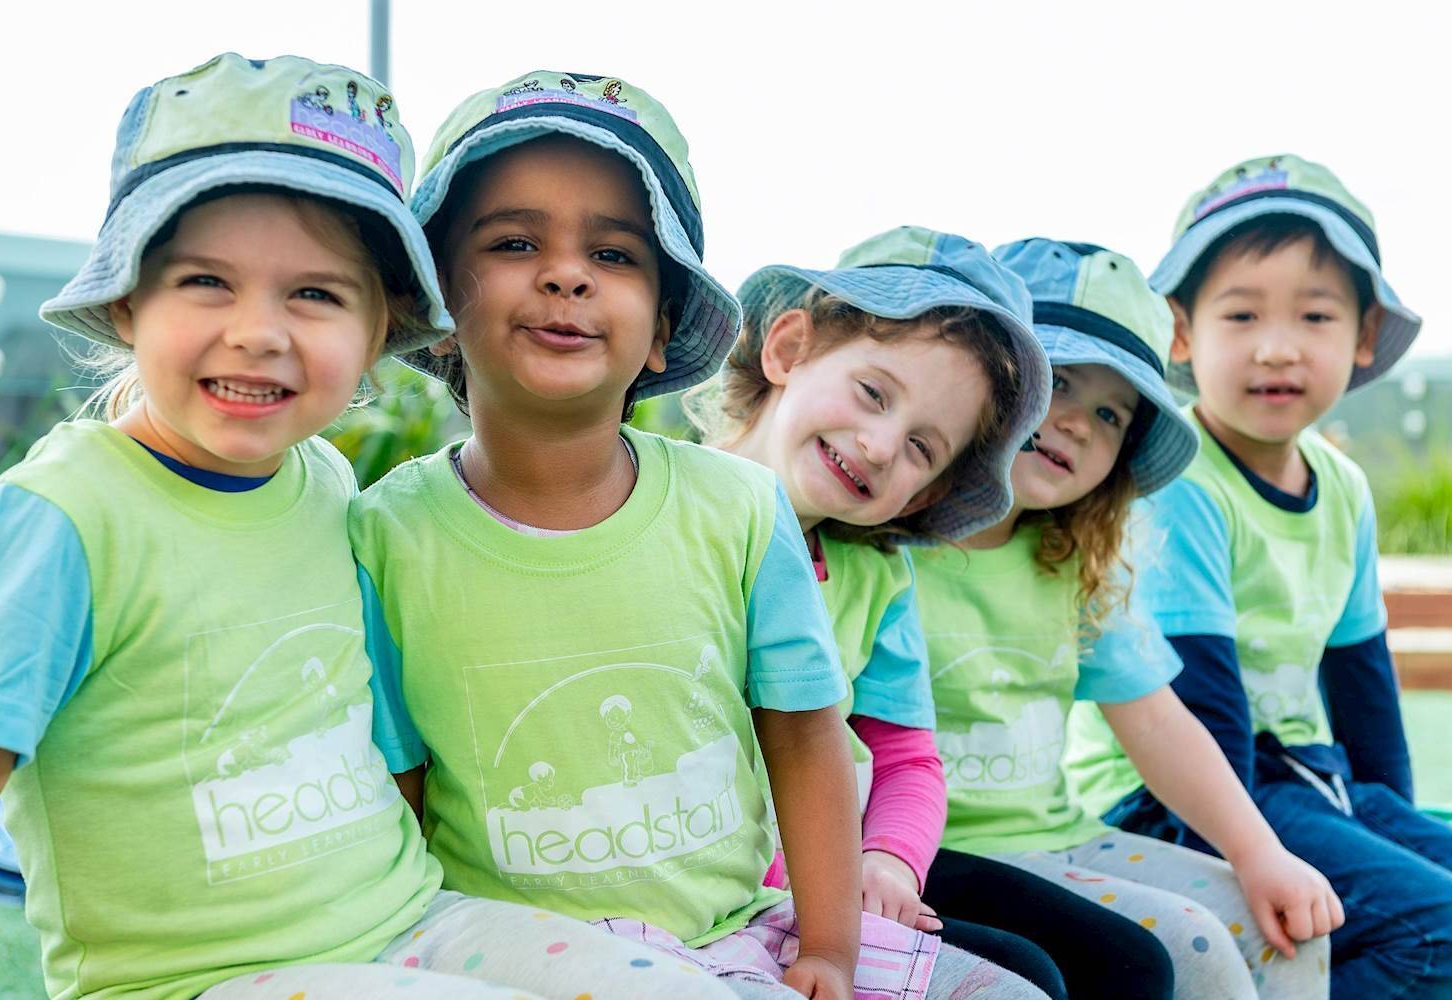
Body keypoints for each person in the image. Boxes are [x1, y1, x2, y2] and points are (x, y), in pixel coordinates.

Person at [0, 53, 723, 1000]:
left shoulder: (324, 485)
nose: (260, 332)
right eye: (206, 281)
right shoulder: (60, 521)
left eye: (316, 294)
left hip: (410, 924)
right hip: (198, 979)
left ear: (382, 328)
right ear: (127, 299)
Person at [352, 71, 971, 999]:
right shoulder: (385, 535)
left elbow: (806, 738)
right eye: (515, 242)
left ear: (660, 332)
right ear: (441, 309)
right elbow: (397, 783)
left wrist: (829, 950)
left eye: (613, 254)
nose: (567, 275)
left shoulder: (740, 510)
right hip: (509, 957)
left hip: (739, 932)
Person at [1065, 154, 1452, 997]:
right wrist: (1255, 854)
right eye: (1241, 315)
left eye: (1315, 315)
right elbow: (1202, 709)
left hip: (1305, 776)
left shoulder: (1341, 486)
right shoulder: (1182, 483)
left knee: (1431, 881)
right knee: (1437, 927)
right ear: (1181, 333)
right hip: (1177, 797)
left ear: (1362, 336)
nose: (1277, 348)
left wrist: (1387, 829)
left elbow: (1364, 689)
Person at [913, 238, 1339, 998]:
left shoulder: (1074, 561)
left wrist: (1259, 853)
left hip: (1060, 837)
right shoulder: (890, 548)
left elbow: (1158, 723)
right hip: (928, 853)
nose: (1078, 423)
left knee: (1281, 931)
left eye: (1110, 413)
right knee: (1190, 948)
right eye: (1059, 382)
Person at [699, 226, 1084, 998]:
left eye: (921, 448)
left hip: (827, 890)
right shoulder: (667, 513)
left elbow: (907, 757)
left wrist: (888, 860)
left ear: (926, 493)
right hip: (715, 894)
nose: (879, 446)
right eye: (873, 393)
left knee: (1080, 967)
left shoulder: (877, 576)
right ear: (788, 349)